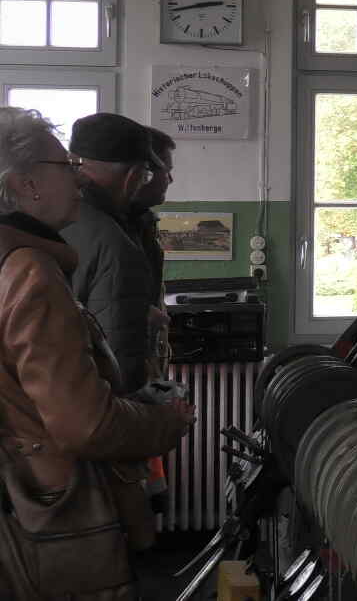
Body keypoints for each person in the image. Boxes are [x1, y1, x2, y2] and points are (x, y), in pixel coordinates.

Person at [0, 107, 194, 600]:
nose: (79, 178)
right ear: (27, 184)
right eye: (67, 165)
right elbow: (85, 424)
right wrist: (166, 421)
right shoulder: (31, 273)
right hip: (54, 513)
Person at [60, 114, 162, 394]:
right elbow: (120, 370)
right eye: (145, 174)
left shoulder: (45, 219)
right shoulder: (116, 245)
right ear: (133, 175)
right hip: (89, 406)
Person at [128, 128, 174, 382]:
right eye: (167, 171)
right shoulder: (115, 229)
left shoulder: (142, 223)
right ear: (144, 172)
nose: (170, 180)